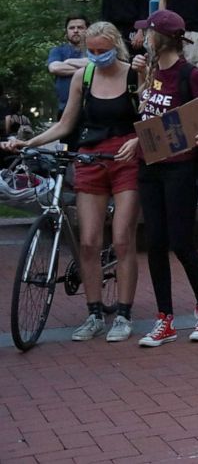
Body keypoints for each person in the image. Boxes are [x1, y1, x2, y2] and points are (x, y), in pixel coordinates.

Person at [3, 22, 141, 342]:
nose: (96, 56)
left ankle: (123, 313)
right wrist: (30, 142)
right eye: (90, 52)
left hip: (125, 160)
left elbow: (149, 119)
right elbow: (66, 125)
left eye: (102, 51)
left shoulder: (133, 75)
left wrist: (136, 142)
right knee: (89, 240)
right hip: (90, 158)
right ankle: (93, 313)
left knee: (122, 238)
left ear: (115, 46)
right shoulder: (84, 76)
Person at [131, 9, 198, 346]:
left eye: (147, 33)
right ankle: (164, 318)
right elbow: (146, 109)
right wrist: (140, 82)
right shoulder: (152, 70)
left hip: (181, 166)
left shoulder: (189, 74)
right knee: (154, 242)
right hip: (149, 164)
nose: (142, 39)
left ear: (160, 38)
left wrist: (188, 131)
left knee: (181, 241)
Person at [48, 16, 89, 119]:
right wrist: (89, 68)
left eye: (80, 27)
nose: (75, 31)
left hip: (91, 108)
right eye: (72, 28)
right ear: (66, 31)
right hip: (65, 108)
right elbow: (54, 68)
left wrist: (68, 62)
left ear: (87, 30)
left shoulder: (94, 50)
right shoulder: (57, 51)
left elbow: (98, 62)